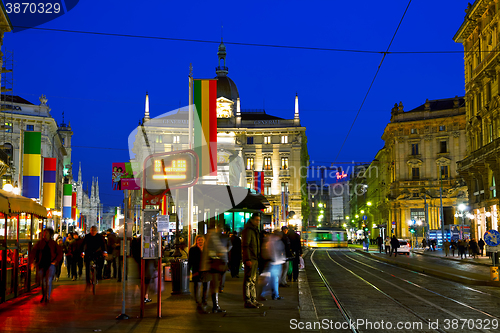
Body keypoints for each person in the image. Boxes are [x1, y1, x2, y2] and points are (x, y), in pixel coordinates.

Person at [30, 228, 62, 303]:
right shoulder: (40, 243)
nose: (45, 234)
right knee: (42, 281)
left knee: (48, 280)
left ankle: (47, 296)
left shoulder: (53, 243)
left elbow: (60, 253)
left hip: (50, 264)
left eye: (47, 233)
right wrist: (32, 262)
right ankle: (44, 295)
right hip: (41, 264)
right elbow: (33, 252)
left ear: (50, 234)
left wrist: (55, 261)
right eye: (44, 233)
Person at [202, 226, 227, 313]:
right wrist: (222, 252)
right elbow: (218, 248)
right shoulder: (212, 236)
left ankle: (211, 305)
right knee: (211, 286)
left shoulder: (209, 236)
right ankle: (212, 306)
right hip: (210, 265)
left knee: (209, 286)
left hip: (208, 265)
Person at [242, 213, 262, 308]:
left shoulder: (254, 230)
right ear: (252, 220)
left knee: (253, 280)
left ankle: (253, 299)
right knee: (248, 280)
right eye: (257, 220)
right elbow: (245, 245)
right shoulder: (249, 230)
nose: (258, 222)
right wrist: (247, 259)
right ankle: (248, 300)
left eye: (259, 220)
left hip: (254, 258)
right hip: (251, 258)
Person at [259, 230, 285, 301]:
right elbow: (279, 252)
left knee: (268, 279)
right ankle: (273, 295)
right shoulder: (276, 242)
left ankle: (266, 294)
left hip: (270, 262)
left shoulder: (268, 240)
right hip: (275, 263)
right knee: (272, 280)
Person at [189, 235, 209, 313]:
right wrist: (189, 270)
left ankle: (204, 300)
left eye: (201, 240)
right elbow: (190, 260)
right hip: (197, 270)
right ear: (196, 241)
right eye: (199, 240)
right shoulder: (193, 249)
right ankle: (198, 302)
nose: (200, 241)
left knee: (206, 286)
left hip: (206, 271)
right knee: (197, 286)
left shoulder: (207, 249)